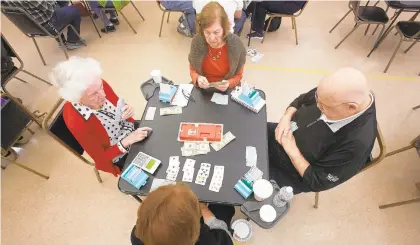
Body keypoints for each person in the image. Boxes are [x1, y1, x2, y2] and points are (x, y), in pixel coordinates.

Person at [268, 67, 377, 194]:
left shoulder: (356, 145)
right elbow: (300, 101)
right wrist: (286, 118)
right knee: (245, 131)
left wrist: (292, 151)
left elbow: (318, 181)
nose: (318, 106)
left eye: (324, 107)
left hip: (292, 173)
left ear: (351, 107)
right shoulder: (333, 94)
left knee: (246, 184)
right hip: (286, 133)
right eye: (317, 100)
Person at [50, 57, 152, 176]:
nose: (103, 94)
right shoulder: (77, 122)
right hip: (118, 152)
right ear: (77, 98)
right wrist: (126, 141)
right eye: (94, 94)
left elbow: (118, 103)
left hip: (130, 130)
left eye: (101, 87)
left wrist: (127, 109)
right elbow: (101, 159)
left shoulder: (96, 84)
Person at [131, 184, 234, 245]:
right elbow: (225, 236)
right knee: (225, 209)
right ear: (195, 233)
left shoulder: (137, 237)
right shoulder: (207, 240)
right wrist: (203, 208)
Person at [189, 2, 246, 92]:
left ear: (225, 28)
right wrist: (197, 78)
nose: (211, 38)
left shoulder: (236, 45)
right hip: (202, 88)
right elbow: (192, 69)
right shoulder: (197, 41)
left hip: (227, 89)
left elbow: (238, 75)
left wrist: (229, 83)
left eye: (216, 32)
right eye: (207, 32)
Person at [2, 0, 85, 50]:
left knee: (61, 2)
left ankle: (61, 41)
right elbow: (49, 9)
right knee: (75, 9)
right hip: (48, 26)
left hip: (33, 26)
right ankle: (73, 41)